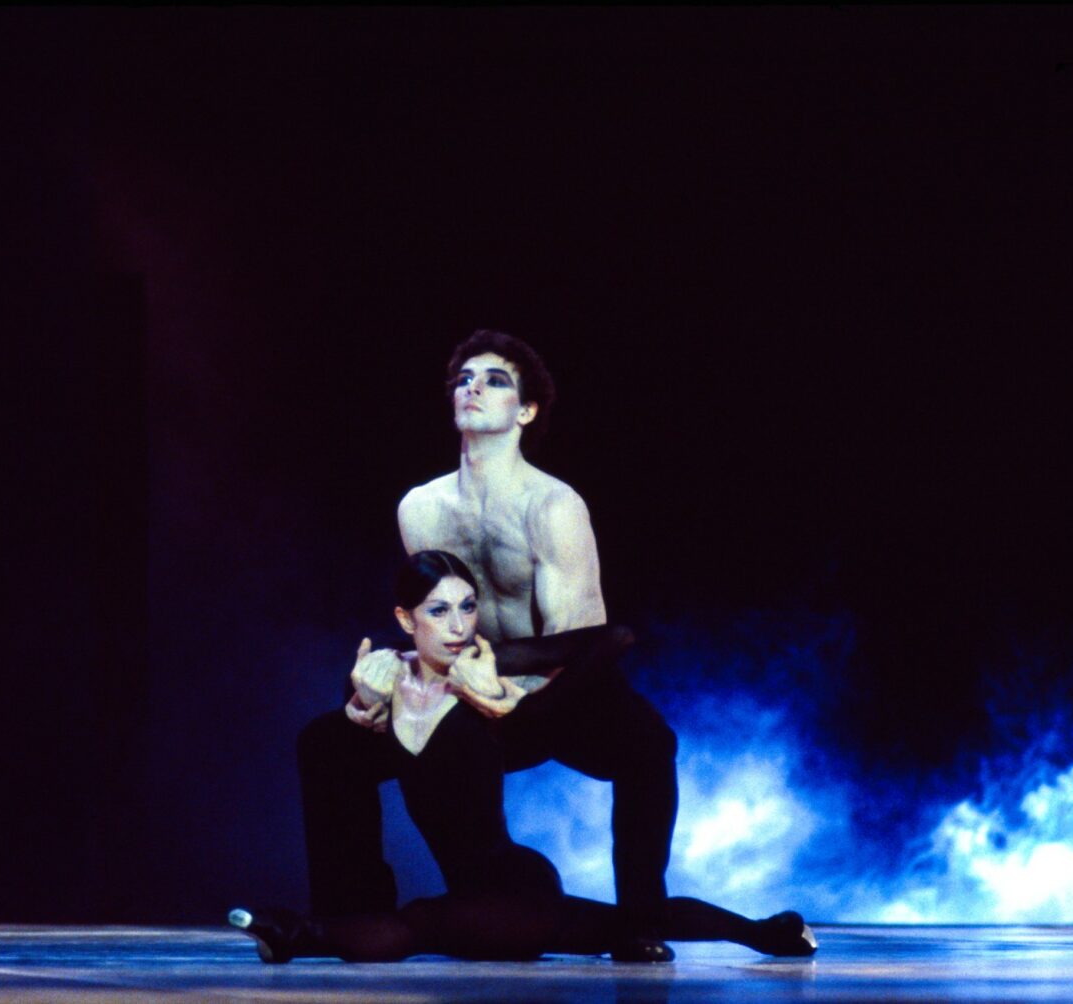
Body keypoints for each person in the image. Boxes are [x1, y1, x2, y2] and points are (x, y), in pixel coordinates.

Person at [298, 329, 682, 960]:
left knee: (649, 744)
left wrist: (501, 690)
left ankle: (641, 919)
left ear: (526, 411)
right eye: (463, 378)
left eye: (495, 380)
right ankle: (349, 913)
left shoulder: (552, 506)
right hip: (463, 684)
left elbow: (579, 645)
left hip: (552, 688)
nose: (472, 387)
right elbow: (433, 619)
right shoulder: (421, 507)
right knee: (327, 742)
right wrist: (378, 685)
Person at [234, 552, 817, 963]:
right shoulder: (386, 678)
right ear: (404, 620)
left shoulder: (493, 679)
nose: (460, 627)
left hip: (517, 891)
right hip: (470, 891)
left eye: (468, 607)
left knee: (423, 927)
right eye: (439, 612)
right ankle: (769, 933)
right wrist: (357, 696)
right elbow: (341, 738)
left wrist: (504, 690)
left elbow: (614, 639)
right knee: (618, 927)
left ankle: (298, 936)